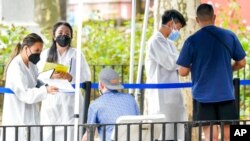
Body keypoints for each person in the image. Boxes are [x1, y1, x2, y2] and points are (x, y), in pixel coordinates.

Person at [177, 3, 246, 141]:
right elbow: (242, 62)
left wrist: (195, 68)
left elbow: (182, 71)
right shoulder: (229, 36)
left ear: (197, 20)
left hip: (202, 95)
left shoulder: (191, 41)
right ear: (214, 17)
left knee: (210, 137)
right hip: (226, 93)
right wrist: (229, 69)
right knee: (229, 135)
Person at [37, 21, 91, 141]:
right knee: (49, 133)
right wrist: (51, 74)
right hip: (52, 100)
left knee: (71, 133)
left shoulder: (77, 54)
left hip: (71, 101)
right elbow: (38, 75)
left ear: (71, 36)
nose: (63, 35)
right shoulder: (45, 54)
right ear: (53, 35)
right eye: (60, 33)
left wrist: (70, 77)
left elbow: (86, 76)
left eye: (67, 33)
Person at [1, 33, 58, 141]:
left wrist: (50, 76)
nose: (39, 55)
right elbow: (25, 94)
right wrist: (45, 90)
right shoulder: (16, 67)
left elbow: (37, 79)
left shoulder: (31, 64)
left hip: (30, 118)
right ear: (26, 48)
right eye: (37, 51)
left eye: (40, 52)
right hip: (18, 118)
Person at [144, 9, 187, 140]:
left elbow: (178, 64)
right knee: (163, 131)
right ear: (170, 23)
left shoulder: (169, 43)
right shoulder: (155, 41)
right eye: (177, 28)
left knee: (174, 130)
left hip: (172, 93)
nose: (177, 32)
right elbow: (171, 62)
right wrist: (187, 58)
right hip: (160, 94)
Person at [82, 67, 140, 141]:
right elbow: (138, 122)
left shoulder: (96, 105)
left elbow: (89, 135)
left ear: (102, 85)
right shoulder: (131, 99)